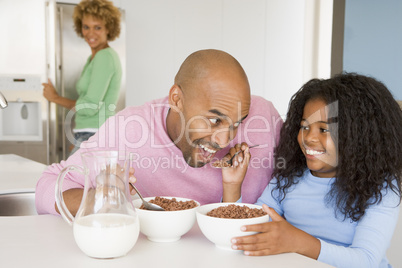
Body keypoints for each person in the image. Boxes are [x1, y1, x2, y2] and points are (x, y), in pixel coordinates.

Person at [35, 49, 283, 216]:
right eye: (214, 120)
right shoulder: (130, 128)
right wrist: (105, 201)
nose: (225, 140)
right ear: (177, 98)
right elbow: (48, 185)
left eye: (237, 123)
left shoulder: (264, 116)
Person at [221, 73, 402, 268]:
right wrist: (232, 186)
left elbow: (366, 260)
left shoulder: (381, 187)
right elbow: (247, 231)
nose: (309, 138)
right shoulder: (289, 178)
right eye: (304, 127)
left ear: (359, 136)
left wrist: (297, 242)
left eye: (324, 130)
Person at [42, 0, 122, 156]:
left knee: (67, 179)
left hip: (94, 134)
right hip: (89, 135)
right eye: (86, 27)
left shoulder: (105, 57)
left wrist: (55, 98)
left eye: (97, 27)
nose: (90, 33)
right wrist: (78, 139)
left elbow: (90, 105)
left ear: (109, 29)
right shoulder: (94, 57)